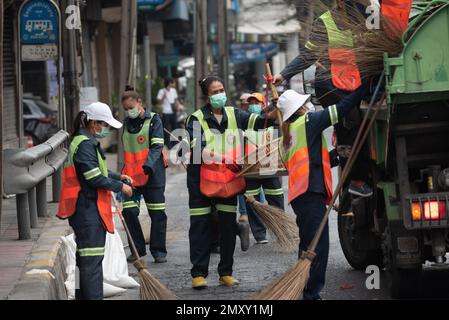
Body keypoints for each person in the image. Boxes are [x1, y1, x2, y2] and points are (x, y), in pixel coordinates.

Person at [277, 80, 372, 300]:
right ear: (299, 109)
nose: (308, 106)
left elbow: (309, 160)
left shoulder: (288, 134)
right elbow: (340, 109)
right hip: (310, 193)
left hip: (302, 195)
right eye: (305, 104)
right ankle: (311, 294)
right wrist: (363, 89)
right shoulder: (308, 121)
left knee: (309, 243)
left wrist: (335, 156)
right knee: (318, 247)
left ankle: (305, 288)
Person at [183, 75, 277, 289]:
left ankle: (225, 272)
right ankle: (198, 274)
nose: (219, 95)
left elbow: (261, 121)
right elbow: (199, 148)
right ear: (207, 97)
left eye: (221, 90)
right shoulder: (196, 118)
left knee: (227, 227)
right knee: (200, 227)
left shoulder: (235, 114)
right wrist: (227, 160)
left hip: (227, 181)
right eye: (215, 92)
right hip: (201, 181)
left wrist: (275, 106)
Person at [273, 0, 373, 198]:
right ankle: (355, 180)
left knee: (362, 122)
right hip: (330, 84)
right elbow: (308, 56)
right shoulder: (324, 23)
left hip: (354, 80)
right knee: (350, 119)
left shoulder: (366, 15)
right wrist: (283, 75)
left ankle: (338, 158)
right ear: (340, 2)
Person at [57, 102, 133, 300]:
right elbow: (94, 178)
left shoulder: (84, 141)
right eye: (104, 124)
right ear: (93, 123)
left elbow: (98, 171)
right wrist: (120, 187)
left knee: (84, 262)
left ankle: (82, 297)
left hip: (83, 208)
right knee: (92, 264)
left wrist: (118, 177)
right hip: (87, 210)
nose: (106, 129)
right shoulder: (84, 145)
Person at [121, 86, 168, 264]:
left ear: (139, 102)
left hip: (152, 174)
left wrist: (149, 165)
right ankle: (137, 250)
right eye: (126, 109)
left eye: (131, 107)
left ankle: (158, 251)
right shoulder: (126, 124)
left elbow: (157, 146)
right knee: (129, 212)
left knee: (157, 213)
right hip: (132, 177)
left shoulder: (154, 120)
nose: (129, 111)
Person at [244, 93, 285, 244]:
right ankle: (259, 234)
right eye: (250, 102)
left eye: (256, 102)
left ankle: (281, 229)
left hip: (270, 166)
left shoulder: (271, 121)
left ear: (263, 105)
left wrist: (277, 105)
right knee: (251, 200)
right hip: (250, 167)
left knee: (276, 198)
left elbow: (280, 125)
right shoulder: (246, 121)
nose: (252, 105)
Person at [158, 77, 180, 149]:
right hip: (165, 112)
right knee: (166, 129)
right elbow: (159, 102)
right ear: (168, 83)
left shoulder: (173, 90)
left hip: (173, 112)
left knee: (175, 128)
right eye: (171, 82)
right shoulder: (161, 91)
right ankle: (167, 144)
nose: (173, 84)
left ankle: (174, 144)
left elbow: (176, 100)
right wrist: (164, 95)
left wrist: (177, 106)